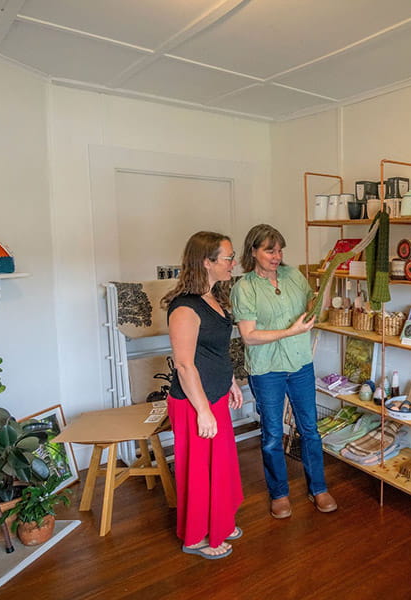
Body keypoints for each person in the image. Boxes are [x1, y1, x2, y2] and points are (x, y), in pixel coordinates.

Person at [231, 224, 337, 519]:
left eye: (279, 250)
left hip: (300, 363)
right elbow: (249, 336)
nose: (277, 256)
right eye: (269, 250)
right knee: (273, 434)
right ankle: (279, 493)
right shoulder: (245, 288)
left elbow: (313, 307)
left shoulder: (293, 276)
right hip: (266, 371)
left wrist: (325, 288)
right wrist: (290, 331)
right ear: (253, 251)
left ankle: (318, 488)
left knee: (310, 430)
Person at [162, 231, 244, 559]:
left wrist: (231, 381)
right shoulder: (184, 308)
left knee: (219, 467)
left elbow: (214, 353)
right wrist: (203, 411)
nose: (233, 263)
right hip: (194, 403)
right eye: (227, 258)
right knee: (198, 472)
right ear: (207, 262)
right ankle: (196, 537)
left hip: (215, 395)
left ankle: (220, 523)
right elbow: (184, 364)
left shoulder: (214, 298)